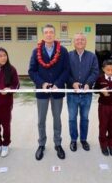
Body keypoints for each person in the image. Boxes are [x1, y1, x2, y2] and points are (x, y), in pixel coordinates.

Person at [28, 24, 69, 161]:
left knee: (57, 120)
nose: (49, 34)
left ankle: (58, 144)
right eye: (46, 32)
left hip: (57, 91)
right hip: (42, 91)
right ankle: (41, 144)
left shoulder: (63, 51)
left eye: (51, 32)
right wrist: (42, 83)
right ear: (43, 35)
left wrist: (57, 84)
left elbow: (66, 70)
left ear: (54, 34)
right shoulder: (36, 51)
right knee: (41, 120)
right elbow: (32, 71)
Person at [67, 33, 99, 152]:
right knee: (72, 118)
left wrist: (88, 84)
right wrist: (72, 83)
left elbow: (95, 72)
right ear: (74, 42)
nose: (80, 41)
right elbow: (65, 72)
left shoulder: (92, 56)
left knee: (85, 118)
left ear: (85, 42)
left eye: (82, 39)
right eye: (77, 40)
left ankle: (84, 140)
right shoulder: (68, 56)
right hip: (72, 93)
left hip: (86, 94)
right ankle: (73, 140)